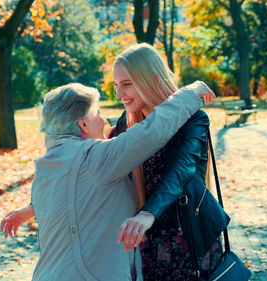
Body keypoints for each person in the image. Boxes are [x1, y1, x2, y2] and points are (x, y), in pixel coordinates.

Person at [1, 81, 216, 281]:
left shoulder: (47, 164)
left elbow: (70, 195)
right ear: (83, 123)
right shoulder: (94, 157)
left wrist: (32, 209)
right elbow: (151, 131)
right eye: (98, 113)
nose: (104, 120)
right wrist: (192, 92)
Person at [113, 43, 229, 281]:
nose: (119, 94)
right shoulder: (126, 123)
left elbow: (183, 169)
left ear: (152, 80)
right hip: (147, 240)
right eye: (116, 86)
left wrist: (148, 213)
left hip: (189, 238)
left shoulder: (194, 119)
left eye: (126, 84)